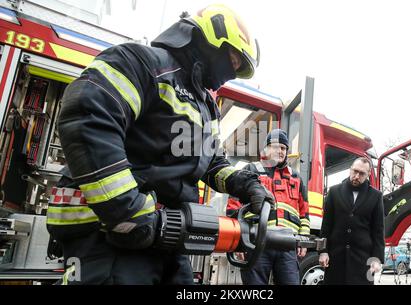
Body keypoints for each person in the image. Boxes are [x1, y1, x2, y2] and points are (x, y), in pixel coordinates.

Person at [46, 4, 274, 285]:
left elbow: (211, 163)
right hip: (106, 235)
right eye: (234, 59)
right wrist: (129, 211)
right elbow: (89, 115)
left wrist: (245, 183)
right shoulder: (144, 63)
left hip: (164, 237)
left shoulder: (206, 106)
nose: (232, 71)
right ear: (212, 38)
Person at [226, 129, 310, 285]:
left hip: (287, 246)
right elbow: (233, 209)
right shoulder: (250, 170)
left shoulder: (296, 177)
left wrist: (303, 241)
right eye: (275, 146)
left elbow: (304, 213)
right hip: (255, 243)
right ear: (266, 148)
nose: (280, 151)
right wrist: (237, 244)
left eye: (283, 148)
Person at [318, 157, 385, 285]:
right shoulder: (334, 192)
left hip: (363, 261)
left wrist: (376, 259)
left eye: (362, 174)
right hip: (336, 259)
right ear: (350, 170)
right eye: (355, 171)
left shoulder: (376, 196)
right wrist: (323, 252)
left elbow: (378, 230)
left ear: (368, 174)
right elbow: (326, 226)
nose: (357, 176)